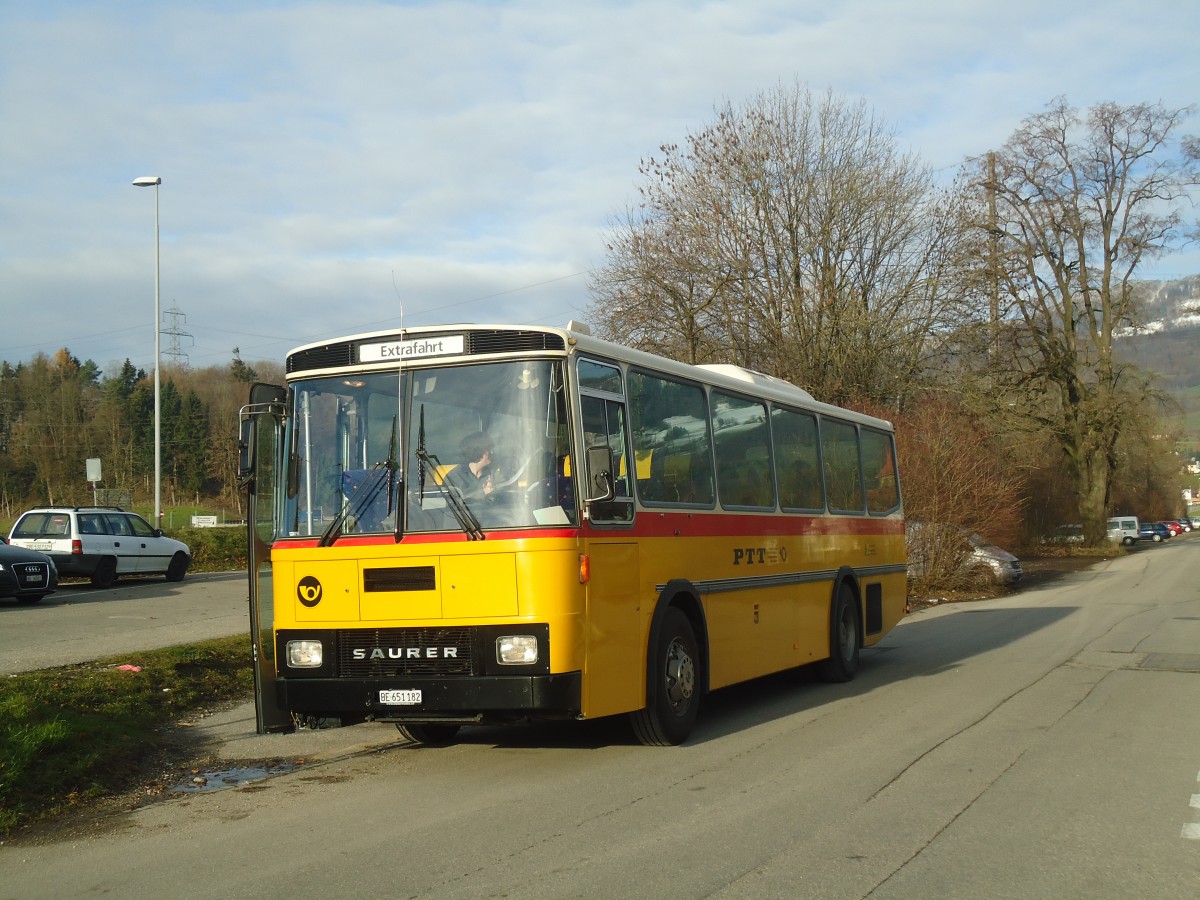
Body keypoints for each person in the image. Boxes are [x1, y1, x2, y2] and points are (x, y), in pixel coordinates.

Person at [445, 432, 495, 501]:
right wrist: (483, 494)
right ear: (477, 451)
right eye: (488, 449)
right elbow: (449, 504)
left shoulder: (493, 473)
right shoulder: (454, 477)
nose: (491, 452)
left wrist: (494, 494)